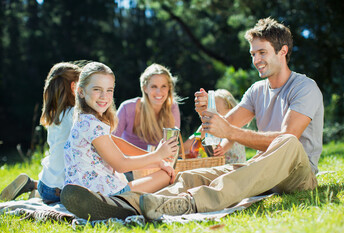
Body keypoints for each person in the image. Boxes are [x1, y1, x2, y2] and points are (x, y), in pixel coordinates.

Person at [60, 17, 324, 221]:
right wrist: (205, 121)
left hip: (296, 173)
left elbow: (285, 139)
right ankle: (124, 204)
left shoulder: (304, 88)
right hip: (262, 170)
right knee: (189, 177)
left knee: (288, 142)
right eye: (253, 53)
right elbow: (222, 127)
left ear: (283, 51)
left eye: (262, 52)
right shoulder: (257, 91)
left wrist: (229, 131)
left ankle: (192, 203)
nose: (256, 59)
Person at [61, 62, 179, 219]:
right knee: (166, 176)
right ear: (80, 92)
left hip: (86, 189)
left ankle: (113, 203)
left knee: (161, 170)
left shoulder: (84, 120)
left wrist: (157, 161)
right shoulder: (92, 124)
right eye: (97, 89)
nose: (104, 96)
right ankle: (122, 204)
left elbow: (115, 142)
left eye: (109, 90)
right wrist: (157, 156)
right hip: (109, 192)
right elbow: (121, 165)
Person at [0, 62, 81, 203]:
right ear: (74, 87)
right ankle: (35, 190)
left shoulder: (54, 115)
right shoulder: (77, 115)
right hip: (61, 191)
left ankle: (34, 187)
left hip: (47, 184)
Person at [113, 63, 181, 181]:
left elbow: (173, 145)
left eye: (163, 86)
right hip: (131, 168)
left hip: (159, 167)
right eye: (154, 86)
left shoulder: (172, 107)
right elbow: (111, 141)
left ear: (169, 88)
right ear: (145, 88)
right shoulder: (128, 108)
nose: (159, 92)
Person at [183, 89, 246, 163]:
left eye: (216, 112)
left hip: (235, 169)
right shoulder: (209, 125)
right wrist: (198, 135)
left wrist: (222, 148)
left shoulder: (234, 126)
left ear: (231, 111)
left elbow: (230, 139)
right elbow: (187, 146)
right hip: (218, 169)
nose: (211, 115)